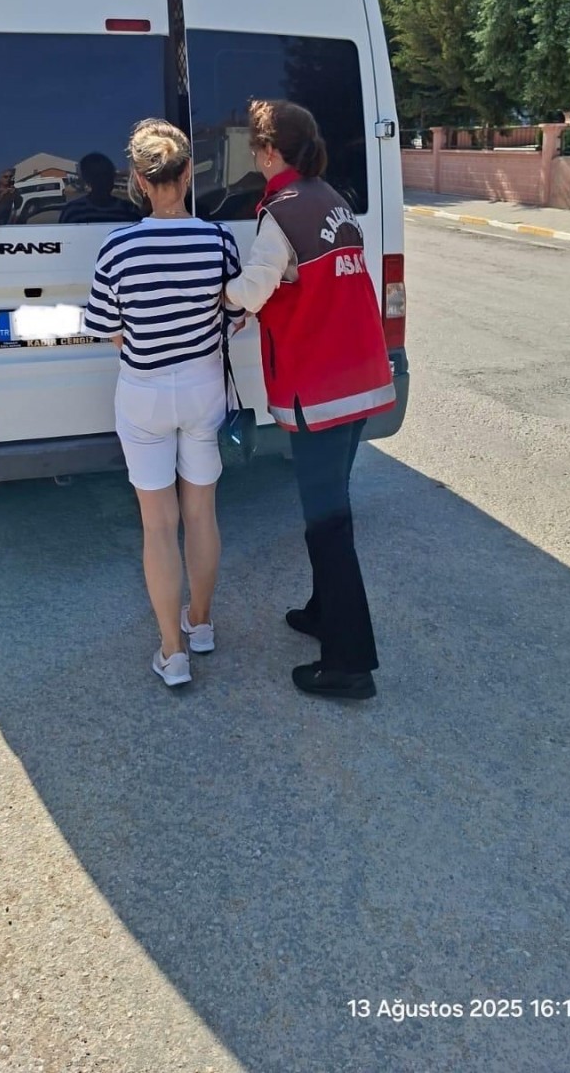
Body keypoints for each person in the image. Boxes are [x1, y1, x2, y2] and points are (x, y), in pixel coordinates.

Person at [225, 100, 396, 702]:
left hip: (319, 387)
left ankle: (349, 665)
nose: (255, 156)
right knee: (331, 506)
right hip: (358, 377)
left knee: (328, 523)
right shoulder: (331, 199)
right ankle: (325, 613)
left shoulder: (281, 211)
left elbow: (253, 287)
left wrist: (220, 293)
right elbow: (309, 283)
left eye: (255, 146)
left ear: (270, 152)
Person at [83, 120, 244, 688]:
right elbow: (235, 314)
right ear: (187, 173)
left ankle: (173, 655)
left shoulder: (117, 246)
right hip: (204, 389)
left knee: (158, 526)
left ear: (138, 179)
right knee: (202, 513)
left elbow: (106, 327)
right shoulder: (218, 240)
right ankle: (200, 623)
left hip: (143, 393)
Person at [59, 151, 138, 224]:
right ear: (87, 179)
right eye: (97, 176)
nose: (104, 180)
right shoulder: (73, 212)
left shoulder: (130, 210)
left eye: (107, 174)